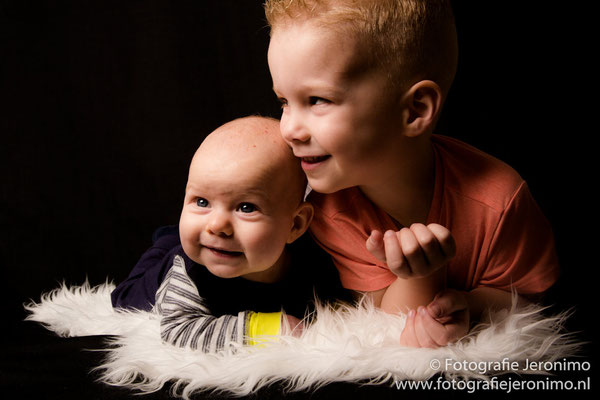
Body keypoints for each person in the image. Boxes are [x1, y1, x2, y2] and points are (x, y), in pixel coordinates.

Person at [264, 0, 560, 348]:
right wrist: (423, 276)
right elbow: (386, 320)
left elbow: (529, 300)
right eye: (284, 102)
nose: (290, 130)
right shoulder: (329, 210)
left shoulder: (499, 201)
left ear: (414, 110)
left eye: (317, 100)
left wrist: (470, 304)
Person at [111, 116, 348, 352]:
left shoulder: (313, 260)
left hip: (211, 246)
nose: (217, 225)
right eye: (202, 201)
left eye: (246, 208)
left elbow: (341, 303)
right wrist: (266, 329)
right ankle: (166, 242)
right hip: (164, 267)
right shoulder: (189, 273)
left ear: (295, 225)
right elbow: (178, 330)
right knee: (126, 298)